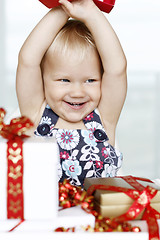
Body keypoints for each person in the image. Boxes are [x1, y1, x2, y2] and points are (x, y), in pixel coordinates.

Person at [16, 0, 127, 187]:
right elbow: (28, 60)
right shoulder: (35, 113)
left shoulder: (105, 118)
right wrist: (63, 8)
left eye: (90, 80)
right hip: (44, 216)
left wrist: (91, 12)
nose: (77, 92)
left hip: (97, 217)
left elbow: (117, 68)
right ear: (43, 80)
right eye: (64, 80)